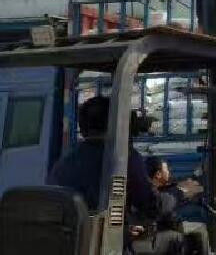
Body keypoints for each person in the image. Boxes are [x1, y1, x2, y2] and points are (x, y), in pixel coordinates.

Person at [47, 96, 185, 255]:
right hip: (106, 247)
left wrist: (125, 229)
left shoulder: (63, 164)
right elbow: (151, 206)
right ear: (115, 123)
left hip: (73, 245)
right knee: (180, 239)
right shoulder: (123, 158)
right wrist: (179, 193)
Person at [145, 157, 209, 255]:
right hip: (159, 232)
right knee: (201, 230)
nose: (169, 172)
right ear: (158, 174)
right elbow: (165, 207)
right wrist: (182, 193)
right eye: (166, 170)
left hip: (161, 228)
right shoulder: (156, 193)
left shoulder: (153, 186)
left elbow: (177, 183)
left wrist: (196, 176)